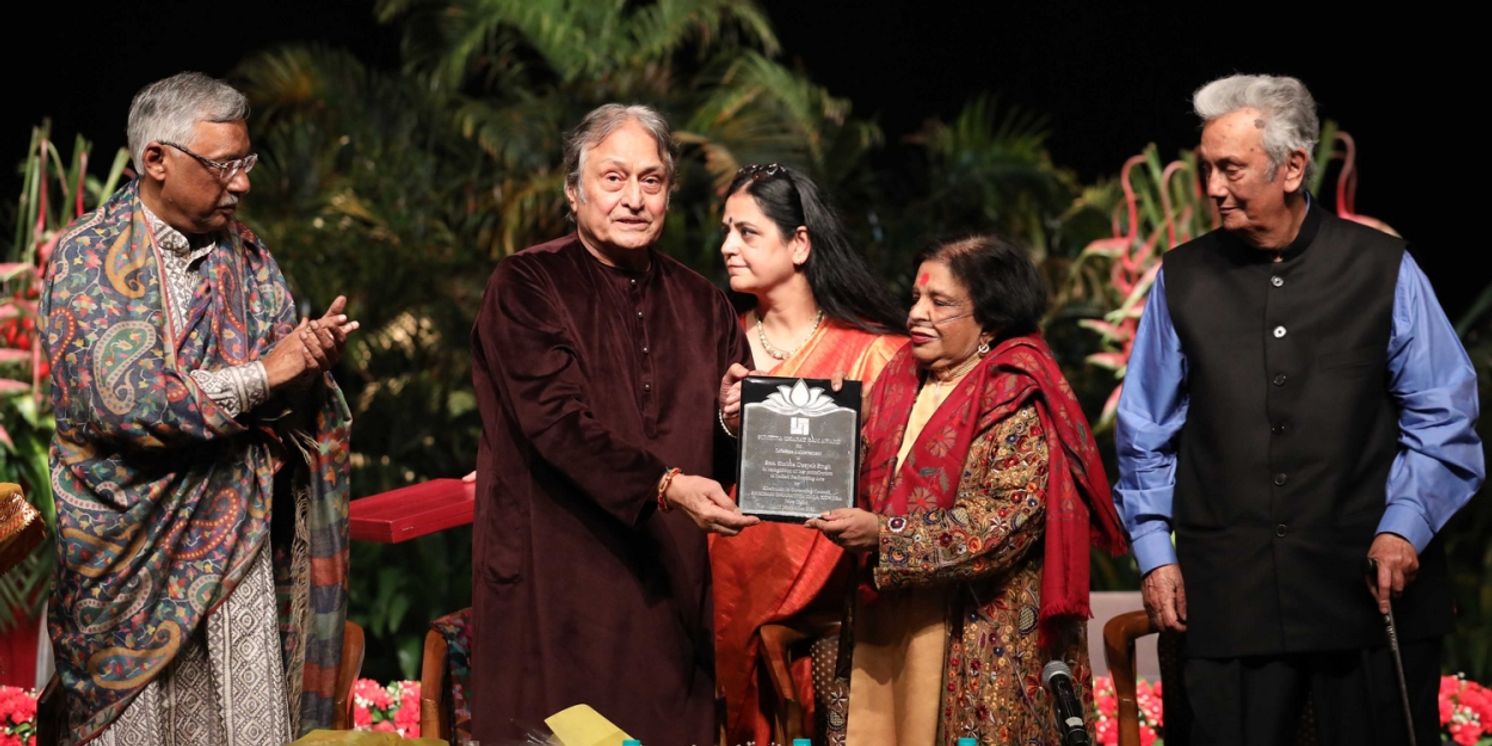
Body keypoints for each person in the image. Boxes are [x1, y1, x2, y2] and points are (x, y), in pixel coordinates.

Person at [1114, 73, 1484, 745]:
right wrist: (1154, 551)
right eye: (1206, 169)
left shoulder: (1382, 267)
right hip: (1231, 596)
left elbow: (1444, 418)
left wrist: (1404, 528)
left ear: (1291, 167)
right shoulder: (1182, 278)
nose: (1213, 188)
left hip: (1368, 590)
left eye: (1231, 168)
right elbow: (1145, 430)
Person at [42, 71, 357, 744]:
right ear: (156, 159)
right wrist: (264, 373)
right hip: (121, 566)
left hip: (237, 555)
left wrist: (306, 368)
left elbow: (284, 398)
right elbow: (123, 405)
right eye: (223, 166)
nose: (241, 184)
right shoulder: (87, 254)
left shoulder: (248, 258)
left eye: (246, 163)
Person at [469, 103, 758, 745]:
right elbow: (555, 423)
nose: (634, 199)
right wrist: (666, 485)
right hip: (557, 579)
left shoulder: (704, 303)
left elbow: (727, 454)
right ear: (573, 192)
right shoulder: (527, 284)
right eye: (613, 178)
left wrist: (733, 421)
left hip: (668, 584)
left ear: (669, 194)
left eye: (651, 181)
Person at [807, 235, 1126, 745]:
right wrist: (768, 420)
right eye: (916, 297)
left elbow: (1001, 525)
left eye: (940, 302)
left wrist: (886, 536)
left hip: (977, 634)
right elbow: (849, 474)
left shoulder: (1017, 393)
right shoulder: (899, 380)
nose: (917, 313)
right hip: (887, 622)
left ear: (990, 320)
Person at [710, 162, 905, 745]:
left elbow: (904, 485)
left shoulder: (873, 354)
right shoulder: (714, 339)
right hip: (724, 583)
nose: (727, 247)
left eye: (747, 232)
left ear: (799, 243)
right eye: (726, 231)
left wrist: (864, 426)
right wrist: (725, 423)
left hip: (833, 596)